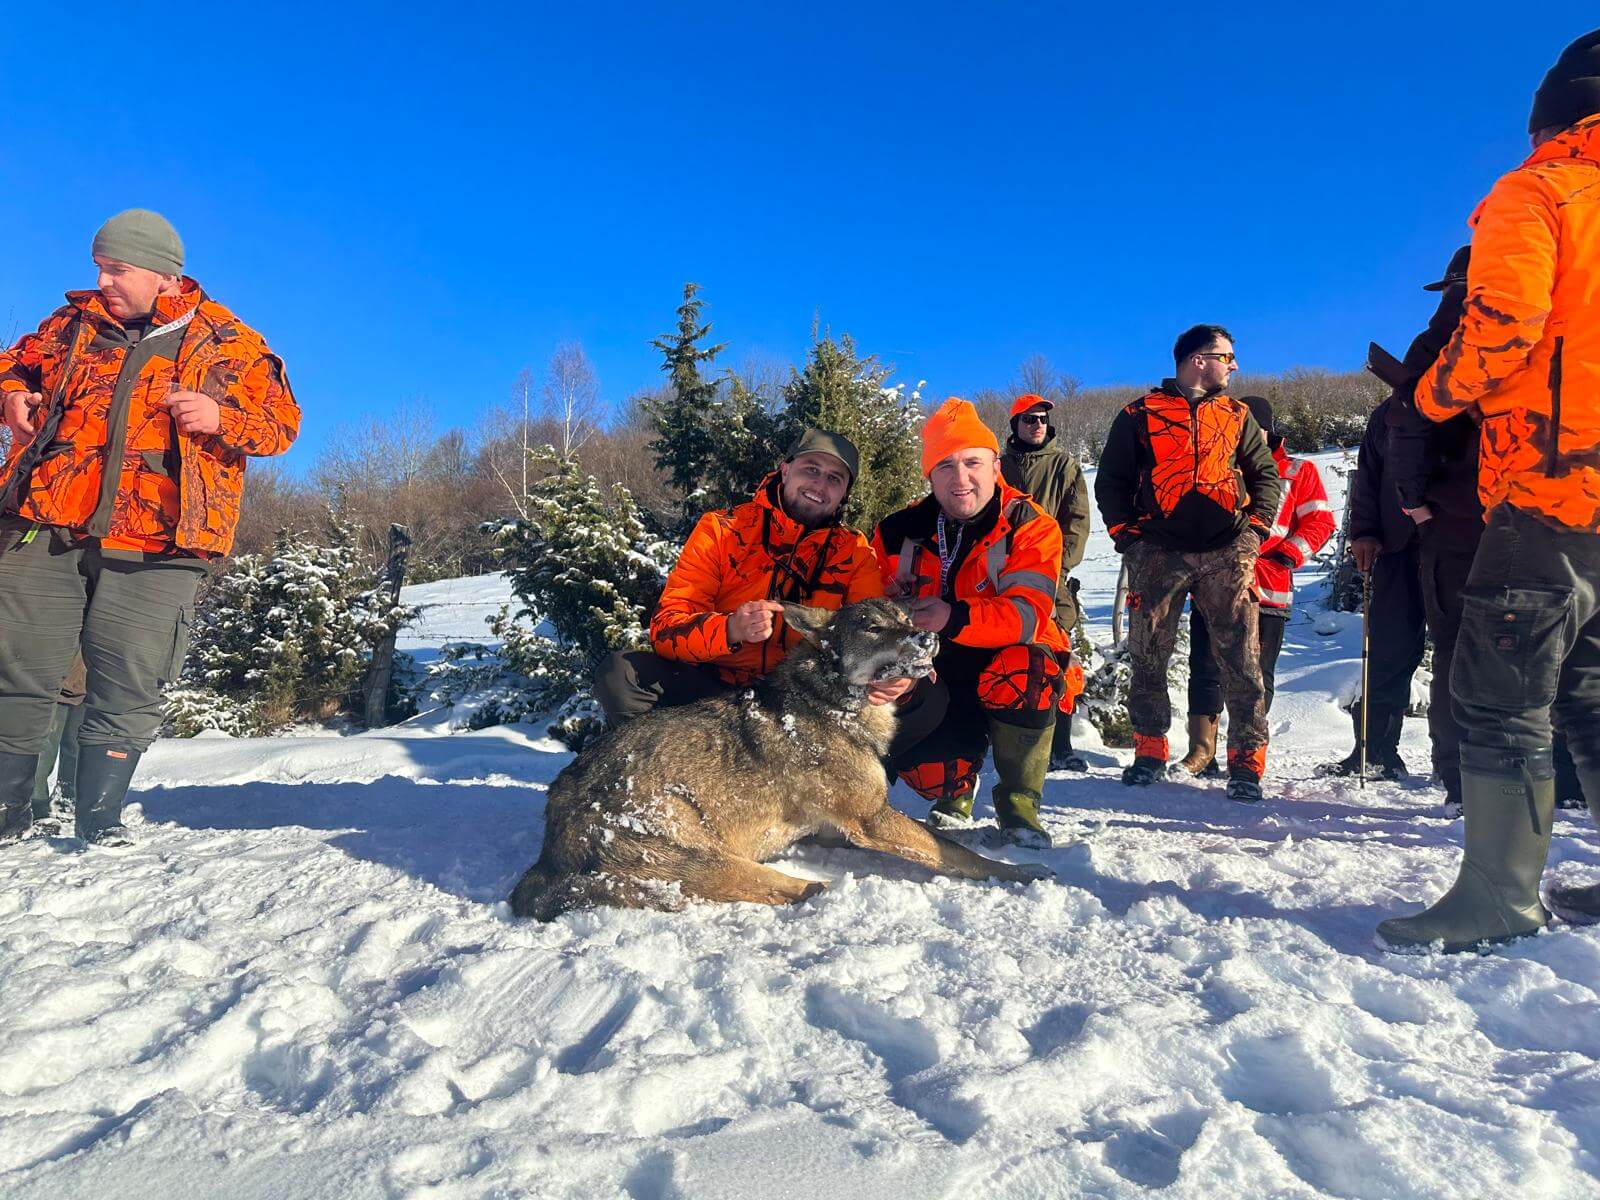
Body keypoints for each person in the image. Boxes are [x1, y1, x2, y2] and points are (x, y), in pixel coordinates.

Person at [1376, 28, 1600, 950]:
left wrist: (1430, 395)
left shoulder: (1539, 190)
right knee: (1590, 688)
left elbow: (1505, 325)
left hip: (1551, 486)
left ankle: (1497, 898)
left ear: (1548, 116)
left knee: (1500, 691)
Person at [0, 209, 300, 845]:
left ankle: (99, 821)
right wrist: (10, 394)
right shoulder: (70, 326)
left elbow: (281, 425)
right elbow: (15, 363)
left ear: (164, 275)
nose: (103, 280)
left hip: (161, 541)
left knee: (128, 679)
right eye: (99, 268)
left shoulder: (229, 340)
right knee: (17, 669)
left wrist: (222, 417)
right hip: (46, 523)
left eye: (117, 269)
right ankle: (10, 814)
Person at [594, 428, 940, 758]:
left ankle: (839, 789)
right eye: (811, 469)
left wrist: (898, 681)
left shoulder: (853, 552)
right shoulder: (721, 530)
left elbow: (874, 632)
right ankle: (670, 777)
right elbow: (667, 629)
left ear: (844, 494)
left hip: (802, 701)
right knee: (622, 675)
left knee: (923, 697)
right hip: (714, 693)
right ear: (785, 470)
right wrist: (729, 630)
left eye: (835, 478)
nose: (820, 484)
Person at [874, 397, 1082, 848]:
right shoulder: (896, 531)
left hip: (1011, 658)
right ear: (929, 476)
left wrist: (952, 615)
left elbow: (1027, 616)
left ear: (994, 465)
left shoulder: (1031, 525)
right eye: (945, 466)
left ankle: (1019, 804)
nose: (961, 478)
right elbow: (872, 610)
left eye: (972, 462)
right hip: (939, 669)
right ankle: (955, 790)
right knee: (931, 778)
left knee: (1026, 670)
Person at [1095, 325, 1283, 801]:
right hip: (1159, 550)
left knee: (1242, 656)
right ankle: (1150, 750)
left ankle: (1246, 761)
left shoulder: (1238, 415)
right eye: (1227, 356)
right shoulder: (1140, 413)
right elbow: (1111, 481)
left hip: (1226, 549)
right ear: (1199, 359)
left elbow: (1266, 474)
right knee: (1148, 652)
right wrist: (1128, 539)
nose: (1234, 364)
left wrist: (1254, 533)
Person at [1178, 395, 1333, 775]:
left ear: (1267, 429)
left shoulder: (1298, 471)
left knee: (1257, 673)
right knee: (1205, 668)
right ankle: (1202, 752)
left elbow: (1320, 524)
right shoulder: (1212, 470)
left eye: (1251, 426)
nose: (1243, 434)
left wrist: (1286, 556)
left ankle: (1247, 754)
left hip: (1267, 589)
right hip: (1213, 588)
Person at [1315, 395, 1428, 782]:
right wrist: (1364, 531)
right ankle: (1375, 752)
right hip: (1396, 548)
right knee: (1386, 653)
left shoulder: (1473, 399)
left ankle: (1461, 767)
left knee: (1461, 657)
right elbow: (1369, 475)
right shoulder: (1389, 412)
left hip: (1459, 546)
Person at [1000, 392, 1092, 771]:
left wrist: (1060, 565)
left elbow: (1078, 521)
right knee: (1004, 661)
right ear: (1015, 425)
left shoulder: (1064, 465)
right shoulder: (998, 466)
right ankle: (1004, 745)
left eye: (1041, 419)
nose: (1036, 424)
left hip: (1050, 577)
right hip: (1001, 576)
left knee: (1059, 659)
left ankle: (1061, 746)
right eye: (1028, 419)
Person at [30, 655, 86, 835]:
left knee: (78, 743)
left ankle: (67, 795)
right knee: (43, 744)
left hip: (90, 675)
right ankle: (35, 801)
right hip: (53, 669)